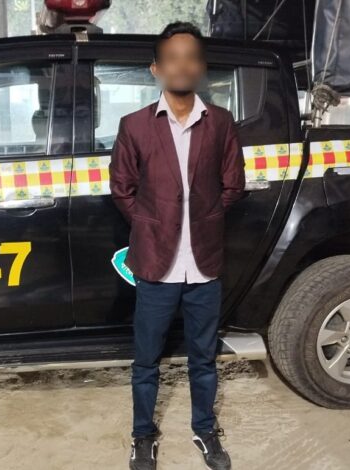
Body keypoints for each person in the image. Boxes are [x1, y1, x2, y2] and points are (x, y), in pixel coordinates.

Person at [108, 21, 246, 470]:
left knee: (203, 358)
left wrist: (202, 219)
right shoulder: (134, 126)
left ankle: (205, 429)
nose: (181, 66)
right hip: (156, 265)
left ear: (201, 67)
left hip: (204, 265)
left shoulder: (220, 122)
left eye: (190, 57)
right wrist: (154, 225)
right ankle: (143, 435)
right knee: (146, 360)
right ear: (157, 68)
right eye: (172, 58)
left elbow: (233, 186)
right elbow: (122, 189)